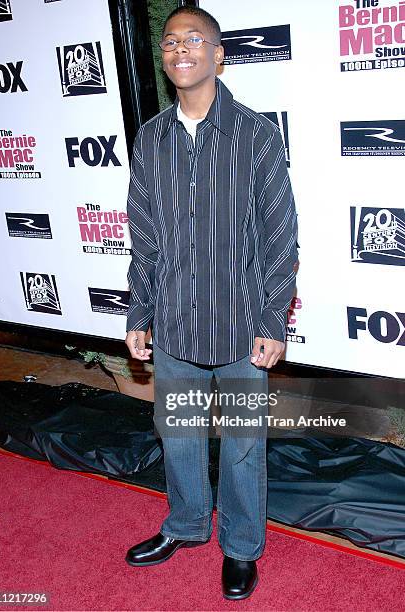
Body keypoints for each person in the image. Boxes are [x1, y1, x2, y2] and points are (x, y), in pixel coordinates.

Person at [124, 6, 298, 601]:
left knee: (244, 445)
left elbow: (281, 236)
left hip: (241, 323)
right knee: (178, 433)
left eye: (194, 39)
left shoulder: (256, 134)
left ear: (218, 54)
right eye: (170, 41)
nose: (180, 49)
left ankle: (242, 548)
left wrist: (273, 318)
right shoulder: (151, 139)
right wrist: (138, 313)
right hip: (173, 324)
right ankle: (188, 524)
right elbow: (143, 238)